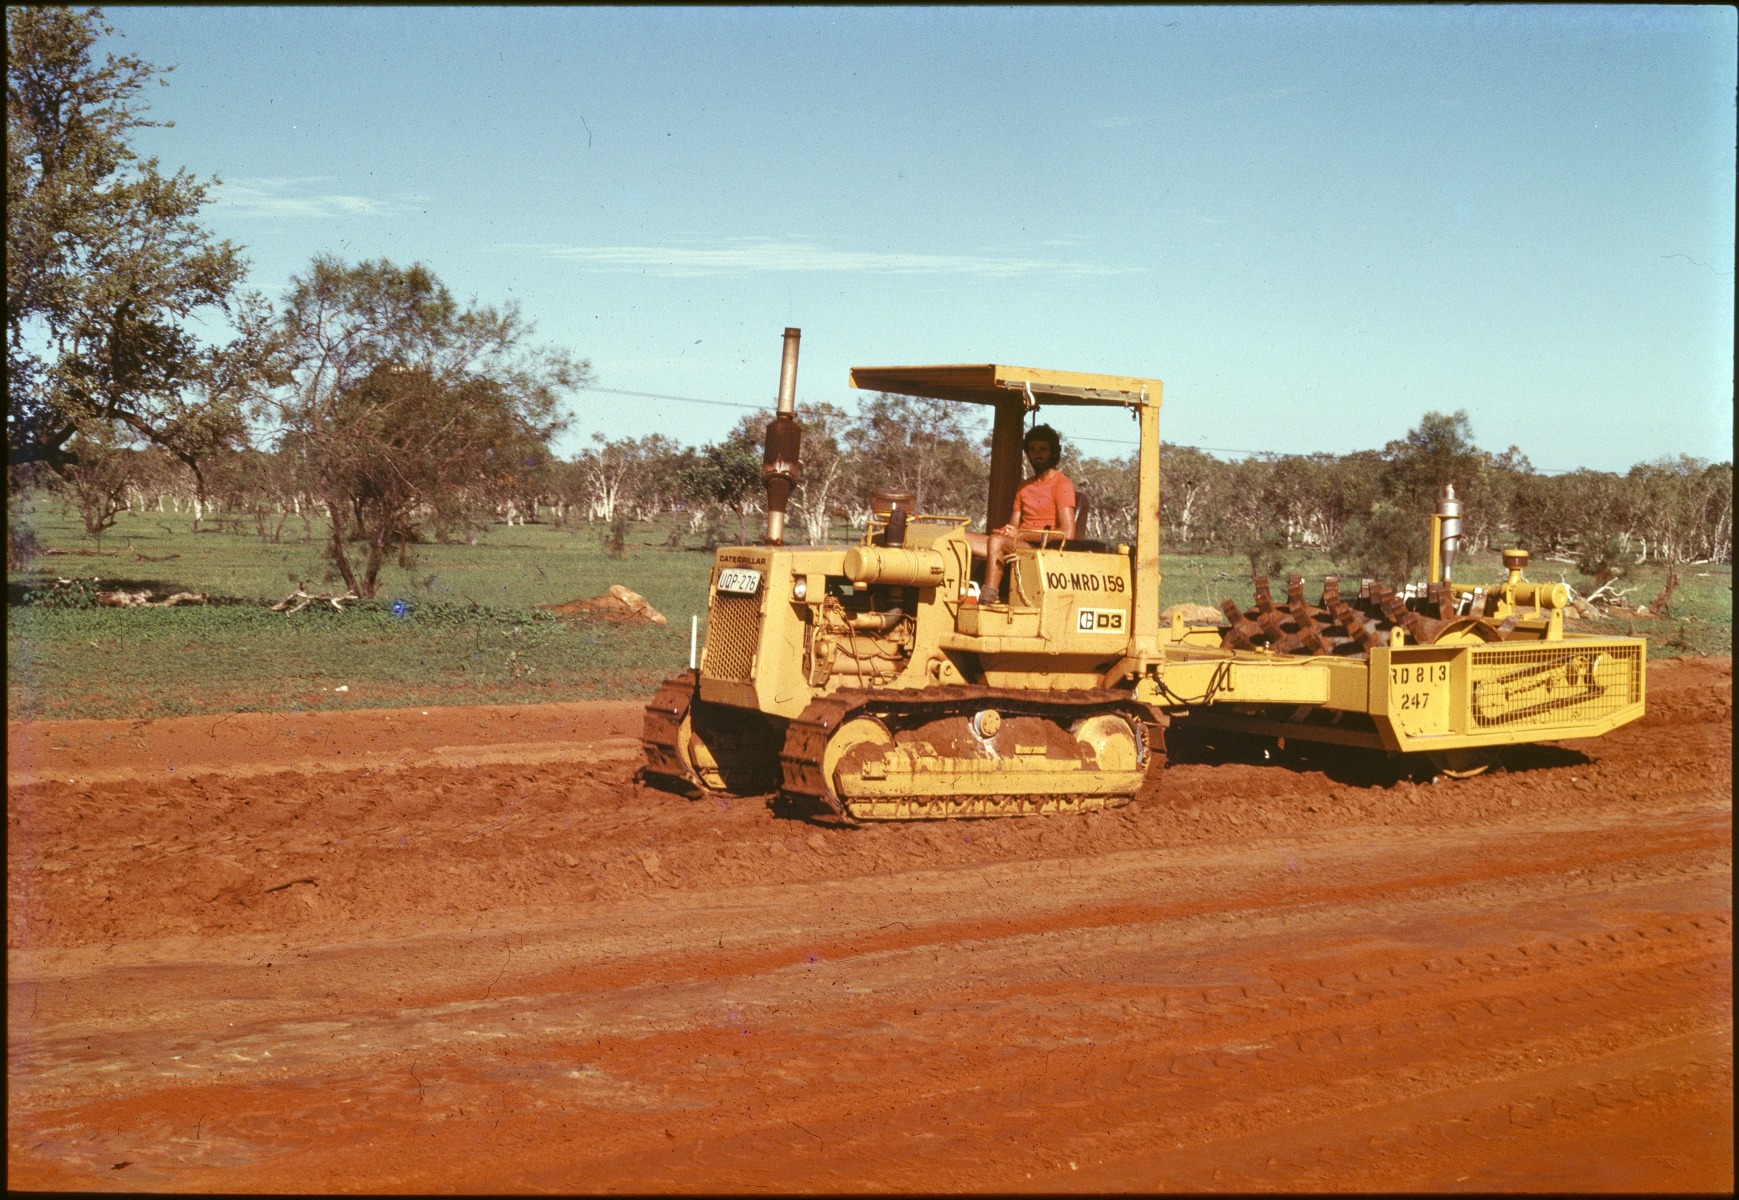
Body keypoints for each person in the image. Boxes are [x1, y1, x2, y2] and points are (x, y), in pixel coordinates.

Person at [964, 423, 1076, 606]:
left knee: (997, 542)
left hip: (1043, 549)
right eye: (1032, 449)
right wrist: (1006, 531)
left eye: (1043, 449)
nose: (1037, 454)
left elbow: (1067, 533)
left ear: (1054, 452)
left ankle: (987, 600)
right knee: (959, 537)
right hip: (1019, 543)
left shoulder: (1062, 484)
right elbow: (1013, 526)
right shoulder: (1024, 486)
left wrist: (1020, 534)